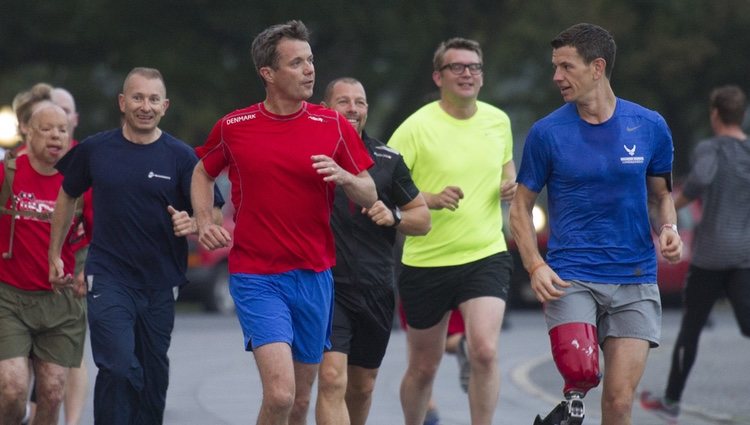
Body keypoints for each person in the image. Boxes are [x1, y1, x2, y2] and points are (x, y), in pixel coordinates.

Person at [190, 21, 377, 425]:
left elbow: (369, 193)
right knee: (279, 393)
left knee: (299, 402)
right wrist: (204, 218)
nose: (310, 69)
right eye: (297, 62)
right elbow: (202, 172)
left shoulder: (333, 125)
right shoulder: (235, 127)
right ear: (268, 74)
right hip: (257, 274)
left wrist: (346, 178)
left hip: (314, 275)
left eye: (310, 60)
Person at [509, 23, 683, 425]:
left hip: (635, 276)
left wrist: (669, 230)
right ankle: (572, 403)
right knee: (581, 372)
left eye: (566, 67)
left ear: (597, 67)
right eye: (555, 67)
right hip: (572, 277)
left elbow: (661, 196)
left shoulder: (649, 126)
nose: (557, 77)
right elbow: (520, 208)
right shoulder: (547, 133)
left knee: (620, 401)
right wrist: (535, 265)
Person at [48, 67, 224, 425]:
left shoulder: (181, 157)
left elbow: (215, 213)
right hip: (109, 277)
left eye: (153, 99)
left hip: (160, 282)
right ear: (123, 102)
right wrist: (56, 253)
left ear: (165, 106)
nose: (146, 106)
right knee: (116, 366)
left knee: (151, 377)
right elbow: (67, 195)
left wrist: (193, 223)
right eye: (138, 97)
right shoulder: (97, 150)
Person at [388, 37, 517, 425]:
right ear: (438, 76)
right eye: (457, 67)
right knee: (423, 368)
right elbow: (383, 191)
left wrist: (508, 186)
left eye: (474, 67)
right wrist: (429, 198)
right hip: (426, 259)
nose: (467, 74)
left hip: (485, 253)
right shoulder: (415, 127)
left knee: (484, 351)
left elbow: (507, 173)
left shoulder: (498, 121)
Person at [314, 77, 430, 425]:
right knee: (333, 378)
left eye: (360, 102)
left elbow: (421, 219)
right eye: (343, 101)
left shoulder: (387, 159)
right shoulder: (312, 156)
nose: (352, 109)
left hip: (376, 287)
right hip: (327, 284)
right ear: (325, 108)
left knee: (362, 386)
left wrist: (393, 215)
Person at [640, 85, 750, 423]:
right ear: (742, 115)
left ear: (715, 114)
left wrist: (668, 207)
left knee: (691, 329)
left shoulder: (710, 148)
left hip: (710, 257)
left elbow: (700, 179)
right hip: (744, 255)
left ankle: (671, 400)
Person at [0, 102, 89, 425]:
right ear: (27, 131)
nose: (56, 136)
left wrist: (84, 270)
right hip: (9, 298)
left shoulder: (80, 183)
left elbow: (99, 234)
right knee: (12, 389)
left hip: (60, 303)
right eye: (47, 129)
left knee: (52, 391)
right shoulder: (7, 173)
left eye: (62, 130)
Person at [50, 86, 89, 425]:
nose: (58, 117)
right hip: (28, 264)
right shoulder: (20, 159)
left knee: (72, 349)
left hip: (76, 258)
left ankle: (72, 420)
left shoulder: (86, 157)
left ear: (74, 119)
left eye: (65, 112)